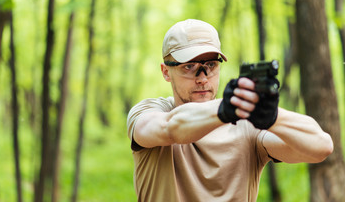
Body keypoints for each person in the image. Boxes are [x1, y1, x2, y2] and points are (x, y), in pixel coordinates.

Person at [127, 19, 333, 201]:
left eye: (210, 65)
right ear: (166, 72)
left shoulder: (248, 125)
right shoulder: (151, 110)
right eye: (188, 66)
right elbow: (169, 128)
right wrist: (227, 107)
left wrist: (273, 117)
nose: (202, 78)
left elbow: (321, 147)